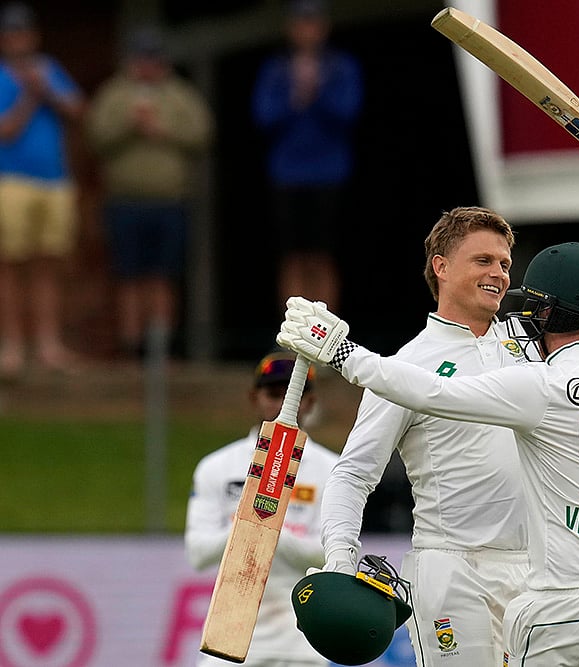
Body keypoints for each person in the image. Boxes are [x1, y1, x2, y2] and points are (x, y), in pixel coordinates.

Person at [276, 243, 579, 665]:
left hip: (555, 605)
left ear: (544, 314)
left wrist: (341, 352)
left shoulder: (540, 385)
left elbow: (432, 392)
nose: (499, 276)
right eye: (483, 260)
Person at [297, 142, 579, 665]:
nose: (500, 273)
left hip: (541, 571)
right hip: (453, 567)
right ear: (441, 266)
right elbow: (354, 473)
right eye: (483, 260)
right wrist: (340, 557)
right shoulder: (407, 363)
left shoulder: (534, 340)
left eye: (504, 263)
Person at [184, 351, 339, 666]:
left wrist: (270, 529)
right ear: (254, 397)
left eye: (294, 395)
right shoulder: (217, 466)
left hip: (301, 644)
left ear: (310, 402)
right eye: (274, 394)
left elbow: (333, 557)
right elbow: (198, 553)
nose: (284, 404)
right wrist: (249, 526)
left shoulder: (333, 469)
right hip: (227, 638)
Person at [86, 24, 214, 359]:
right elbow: (95, 135)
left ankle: (160, 352)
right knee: (129, 277)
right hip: (125, 202)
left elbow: (203, 134)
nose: (148, 65)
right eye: (142, 58)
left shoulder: (180, 95)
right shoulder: (114, 93)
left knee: (163, 277)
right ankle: (132, 350)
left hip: (170, 201)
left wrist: (162, 129)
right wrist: (130, 125)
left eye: (153, 58)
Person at [252, 0, 363, 314]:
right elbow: (263, 116)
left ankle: (325, 329)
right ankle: (293, 329)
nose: (307, 30)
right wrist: (295, 94)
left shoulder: (341, 67)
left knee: (322, 255)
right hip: (287, 175)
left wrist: (318, 91)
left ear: (324, 27)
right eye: (301, 23)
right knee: (292, 256)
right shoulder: (276, 70)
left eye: (313, 23)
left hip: (329, 174)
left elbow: (349, 112)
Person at [0, 1, 84, 377]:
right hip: (10, 181)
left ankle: (49, 344)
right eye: (11, 33)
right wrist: (30, 96)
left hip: (55, 180)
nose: (19, 39)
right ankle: (12, 346)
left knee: (49, 263)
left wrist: (46, 89)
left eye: (23, 32)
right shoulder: (2, 77)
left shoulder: (49, 69)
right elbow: (6, 130)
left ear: (33, 36)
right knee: (9, 265)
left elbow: (78, 110)